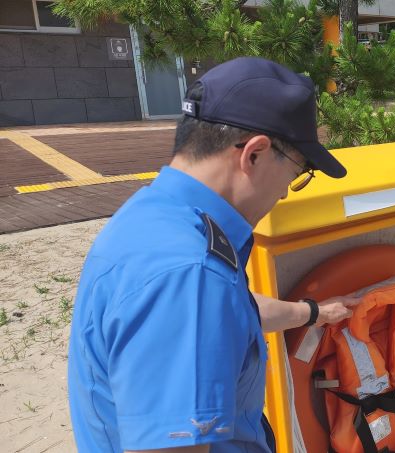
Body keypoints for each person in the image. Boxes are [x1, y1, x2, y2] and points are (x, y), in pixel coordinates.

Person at [68, 57, 360, 452]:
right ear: (254, 154)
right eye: (295, 174)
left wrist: (312, 313)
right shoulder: (190, 275)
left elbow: (232, 312)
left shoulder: (154, 216)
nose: (284, 194)